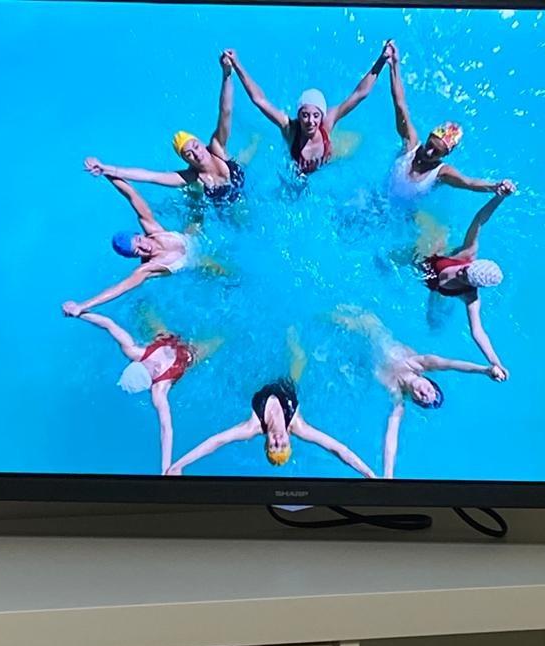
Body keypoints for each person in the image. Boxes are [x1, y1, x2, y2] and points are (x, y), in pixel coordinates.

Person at [167, 327, 375, 477]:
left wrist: (179, 464)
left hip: (257, 382)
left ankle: (229, 334)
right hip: (288, 380)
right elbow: (338, 449)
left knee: (242, 357)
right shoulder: (298, 426)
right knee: (299, 355)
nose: (278, 441)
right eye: (282, 445)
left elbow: (216, 442)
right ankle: (290, 326)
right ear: (289, 441)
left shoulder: (252, 426)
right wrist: (370, 475)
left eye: (273, 446)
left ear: (266, 443)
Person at [332, 305, 503, 478]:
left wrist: (388, 476)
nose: (425, 393)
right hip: (367, 326)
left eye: (424, 398)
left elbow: (391, 436)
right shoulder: (419, 363)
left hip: (355, 353)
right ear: (428, 380)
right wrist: (485, 370)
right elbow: (452, 364)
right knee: (331, 318)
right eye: (429, 390)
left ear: (414, 399)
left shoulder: (397, 396)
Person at [69, 310, 223, 474]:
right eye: (153, 371)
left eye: (148, 364)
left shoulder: (135, 351)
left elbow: (108, 324)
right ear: (151, 382)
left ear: (138, 362)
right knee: (220, 339)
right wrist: (166, 468)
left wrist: (78, 312)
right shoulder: (159, 390)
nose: (156, 365)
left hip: (164, 337)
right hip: (190, 354)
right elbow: (166, 428)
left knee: (145, 310)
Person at [83, 55, 246, 208]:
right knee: (201, 202)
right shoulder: (190, 177)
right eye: (189, 154)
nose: (196, 154)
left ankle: (255, 141)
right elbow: (149, 176)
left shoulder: (217, 148)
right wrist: (106, 169)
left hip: (236, 175)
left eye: (196, 146)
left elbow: (225, 112)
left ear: (202, 143)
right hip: (225, 204)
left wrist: (227, 75)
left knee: (244, 158)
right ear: (186, 161)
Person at [61, 174, 223, 317]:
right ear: (135, 256)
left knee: (197, 192)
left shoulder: (153, 230)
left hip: (192, 234)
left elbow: (132, 195)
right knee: (228, 275)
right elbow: (120, 288)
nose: (144, 247)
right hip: (200, 262)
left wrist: (107, 172)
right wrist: (82, 306)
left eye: (139, 241)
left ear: (139, 234)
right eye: (137, 250)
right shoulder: (148, 268)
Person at [222, 43, 390, 177]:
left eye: (316, 115)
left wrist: (382, 60)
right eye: (305, 115)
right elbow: (259, 100)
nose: (311, 121)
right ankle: (255, 140)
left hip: (331, 156)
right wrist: (236, 65)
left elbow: (360, 94)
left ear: (322, 116)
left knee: (358, 142)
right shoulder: (290, 129)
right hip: (298, 172)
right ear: (298, 115)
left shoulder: (327, 123)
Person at [385, 42, 514, 205]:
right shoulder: (410, 145)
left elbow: (469, 183)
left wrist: (495, 186)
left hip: (402, 216)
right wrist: (394, 65)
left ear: (446, 154)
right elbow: (400, 105)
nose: (429, 152)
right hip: (379, 199)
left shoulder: (441, 173)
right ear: (428, 136)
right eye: (430, 145)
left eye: (437, 152)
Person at [418, 189, 514, 379]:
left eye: (464, 277)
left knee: (433, 320)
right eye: (464, 270)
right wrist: (499, 197)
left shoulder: (470, 297)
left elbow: (478, 332)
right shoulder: (467, 254)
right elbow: (479, 220)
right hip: (429, 255)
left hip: (435, 288)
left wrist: (496, 362)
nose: (459, 272)